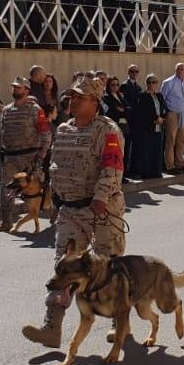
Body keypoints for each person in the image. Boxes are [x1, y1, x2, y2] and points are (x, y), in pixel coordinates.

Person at [22, 78, 125, 348]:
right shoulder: (65, 129)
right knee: (63, 266)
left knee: (108, 265)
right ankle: (51, 328)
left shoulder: (107, 129)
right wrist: (55, 196)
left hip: (101, 208)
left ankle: (119, 321)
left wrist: (101, 197)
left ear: (94, 102)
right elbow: (56, 166)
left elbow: (113, 167)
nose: (73, 101)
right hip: (70, 209)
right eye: (72, 96)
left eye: (80, 97)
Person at [161, 64, 184, 169]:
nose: (180, 71)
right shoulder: (168, 82)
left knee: (181, 141)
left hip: (183, 114)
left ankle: (179, 164)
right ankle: (170, 166)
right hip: (172, 114)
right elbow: (162, 98)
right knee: (171, 141)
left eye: (183, 69)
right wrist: (165, 114)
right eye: (179, 69)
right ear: (175, 70)